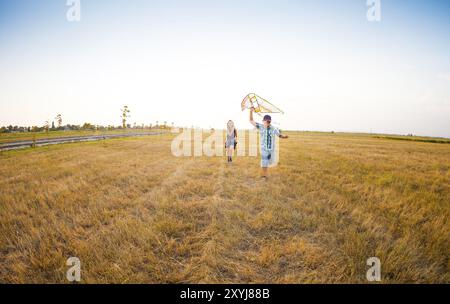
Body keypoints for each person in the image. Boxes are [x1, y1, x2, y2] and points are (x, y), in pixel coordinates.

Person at [249, 107, 288, 178]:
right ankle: (264, 176)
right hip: (264, 149)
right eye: (266, 121)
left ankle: (269, 158)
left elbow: (279, 135)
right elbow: (251, 120)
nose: (267, 122)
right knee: (264, 162)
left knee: (270, 162)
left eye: (268, 121)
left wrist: (284, 136)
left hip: (271, 149)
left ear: (270, 121)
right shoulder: (260, 126)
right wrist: (251, 111)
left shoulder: (273, 128)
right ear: (263, 121)